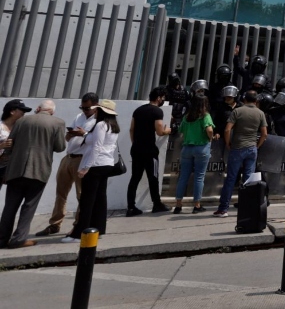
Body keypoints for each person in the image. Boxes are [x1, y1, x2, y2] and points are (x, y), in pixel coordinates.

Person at [0, 99, 65, 248]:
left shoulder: (21, 121)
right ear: (52, 111)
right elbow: (60, 147)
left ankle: (2, 239)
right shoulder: (57, 123)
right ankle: (19, 239)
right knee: (29, 206)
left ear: (38, 108)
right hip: (39, 170)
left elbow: (9, 145)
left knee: (10, 206)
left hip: (16, 169)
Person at [62, 99, 122, 244]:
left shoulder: (101, 125)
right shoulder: (113, 126)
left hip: (96, 164)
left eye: (97, 109)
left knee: (87, 200)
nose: (94, 111)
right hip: (106, 163)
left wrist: (85, 167)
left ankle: (79, 233)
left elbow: (97, 147)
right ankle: (98, 228)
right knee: (100, 198)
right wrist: (85, 135)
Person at [38, 93, 98, 237]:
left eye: (87, 108)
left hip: (82, 158)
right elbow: (67, 137)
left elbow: (97, 142)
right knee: (61, 192)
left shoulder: (99, 121)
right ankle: (55, 223)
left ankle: (78, 225)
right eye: (82, 107)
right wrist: (70, 134)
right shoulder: (79, 117)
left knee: (81, 194)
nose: (84, 110)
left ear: (96, 106)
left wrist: (83, 134)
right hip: (69, 156)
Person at [214, 91, 268, 218]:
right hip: (251, 148)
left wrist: (228, 143)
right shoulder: (260, 113)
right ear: (256, 101)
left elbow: (227, 129)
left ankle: (223, 209)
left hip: (237, 147)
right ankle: (247, 208)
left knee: (231, 178)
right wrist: (257, 145)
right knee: (249, 181)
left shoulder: (237, 111)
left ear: (244, 99)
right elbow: (264, 134)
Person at [126, 87, 172, 216]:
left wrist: (135, 143)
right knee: (153, 177)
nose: (163, 100)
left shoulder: (138, 110)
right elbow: (159, 131)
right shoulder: (157, 111)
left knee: (135, 178)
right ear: (158, 98)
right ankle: (156, 204)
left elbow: (131, 129)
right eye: (163, 98)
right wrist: (167, 131)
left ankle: (131, 206)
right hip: (150, 150)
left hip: (136, 149)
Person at [174, 95, 214, 214]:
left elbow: (181, 131)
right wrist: (210, 139)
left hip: (187, 148)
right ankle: (197, 205)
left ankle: (178, 205)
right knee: (199, 177)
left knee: (183, 177)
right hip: (201, 148)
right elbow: (210, 130)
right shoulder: (205, 116)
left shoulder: (186, 117)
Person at [0, 99, 31, 186]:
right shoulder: (1, 126)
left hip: (10, 168)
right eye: (22, 110)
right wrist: (2, 146)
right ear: (12, 112)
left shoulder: (19, 128)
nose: (24, 113)